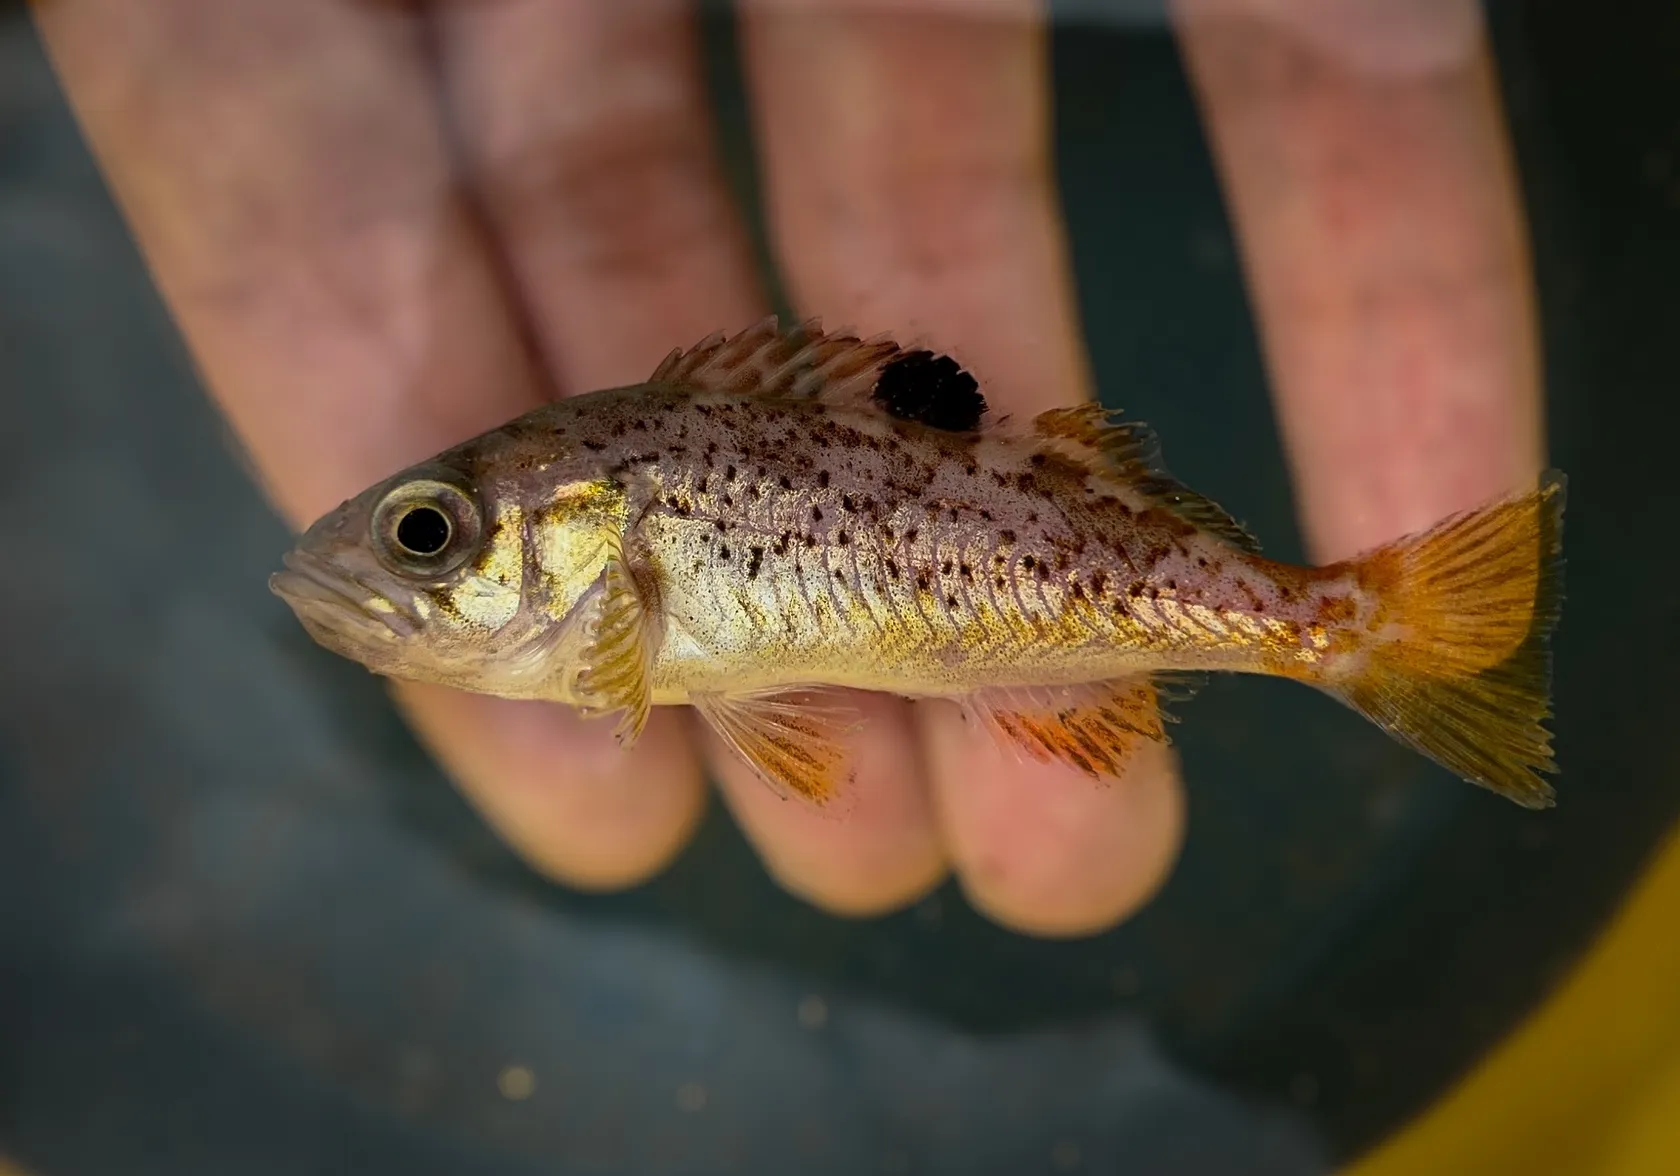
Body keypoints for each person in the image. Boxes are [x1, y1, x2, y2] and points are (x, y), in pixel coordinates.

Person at [31, 0, 1543, 937]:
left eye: (430, 534)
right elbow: (774, 707)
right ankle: (1357, 626)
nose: (390, 558)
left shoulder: (630, 576)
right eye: (421, 537)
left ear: (588, 535)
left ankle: (1359, 624)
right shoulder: (616, 586)